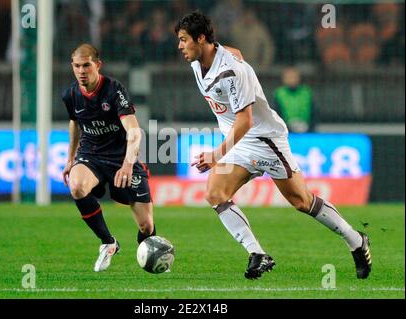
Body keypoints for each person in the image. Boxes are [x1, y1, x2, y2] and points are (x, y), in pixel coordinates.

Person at [175, 11, 371, 280]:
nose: (180, 46)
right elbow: (234, 51)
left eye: (184, 40)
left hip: (265, 140)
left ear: (201, 39)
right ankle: (257, 253)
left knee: (301, 201)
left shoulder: (232, 71)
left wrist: (215, 154)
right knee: (215, 192)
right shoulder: (200, 62)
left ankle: (356, 240)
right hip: (241, 143)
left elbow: (245, 120)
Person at [61, 44, 155, 272]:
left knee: (146, 225)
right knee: (77, 186)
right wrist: (71, 157)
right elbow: (74, 123)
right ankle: (108, 242)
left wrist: (127, 165)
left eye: (86, 65)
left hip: (120, 158)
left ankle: (149, 252)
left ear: (97, 65)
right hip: (90, 155)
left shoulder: (114, 90)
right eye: (76, 66)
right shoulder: (71, 94)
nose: (81, 71)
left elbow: (134, 130)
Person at [273, 66, 316, 133]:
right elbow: (276, 113)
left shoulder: (306, 92)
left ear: (299, 78)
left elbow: (314, 112)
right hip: (286, 130)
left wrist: (310, 127)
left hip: (307, 129)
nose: (292, 80)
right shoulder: (279, 93)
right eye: (289, 77)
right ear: (284, 79)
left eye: (294, 77)